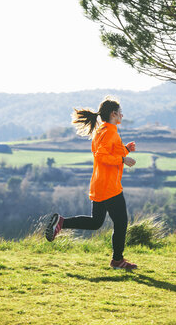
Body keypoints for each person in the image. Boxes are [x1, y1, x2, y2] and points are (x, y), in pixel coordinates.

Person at [45, 97, 137, 270]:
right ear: (113, 114)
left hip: (100, 184)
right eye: (120, 112)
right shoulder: (110, 132)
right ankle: (117, 260)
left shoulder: (103, 130)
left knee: (96, 222)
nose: (122, 115)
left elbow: (107, 152)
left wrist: (125, 149)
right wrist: (123, 159)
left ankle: (61, 222)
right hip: (110, 187)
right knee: (121, 222)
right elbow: (102, 156)